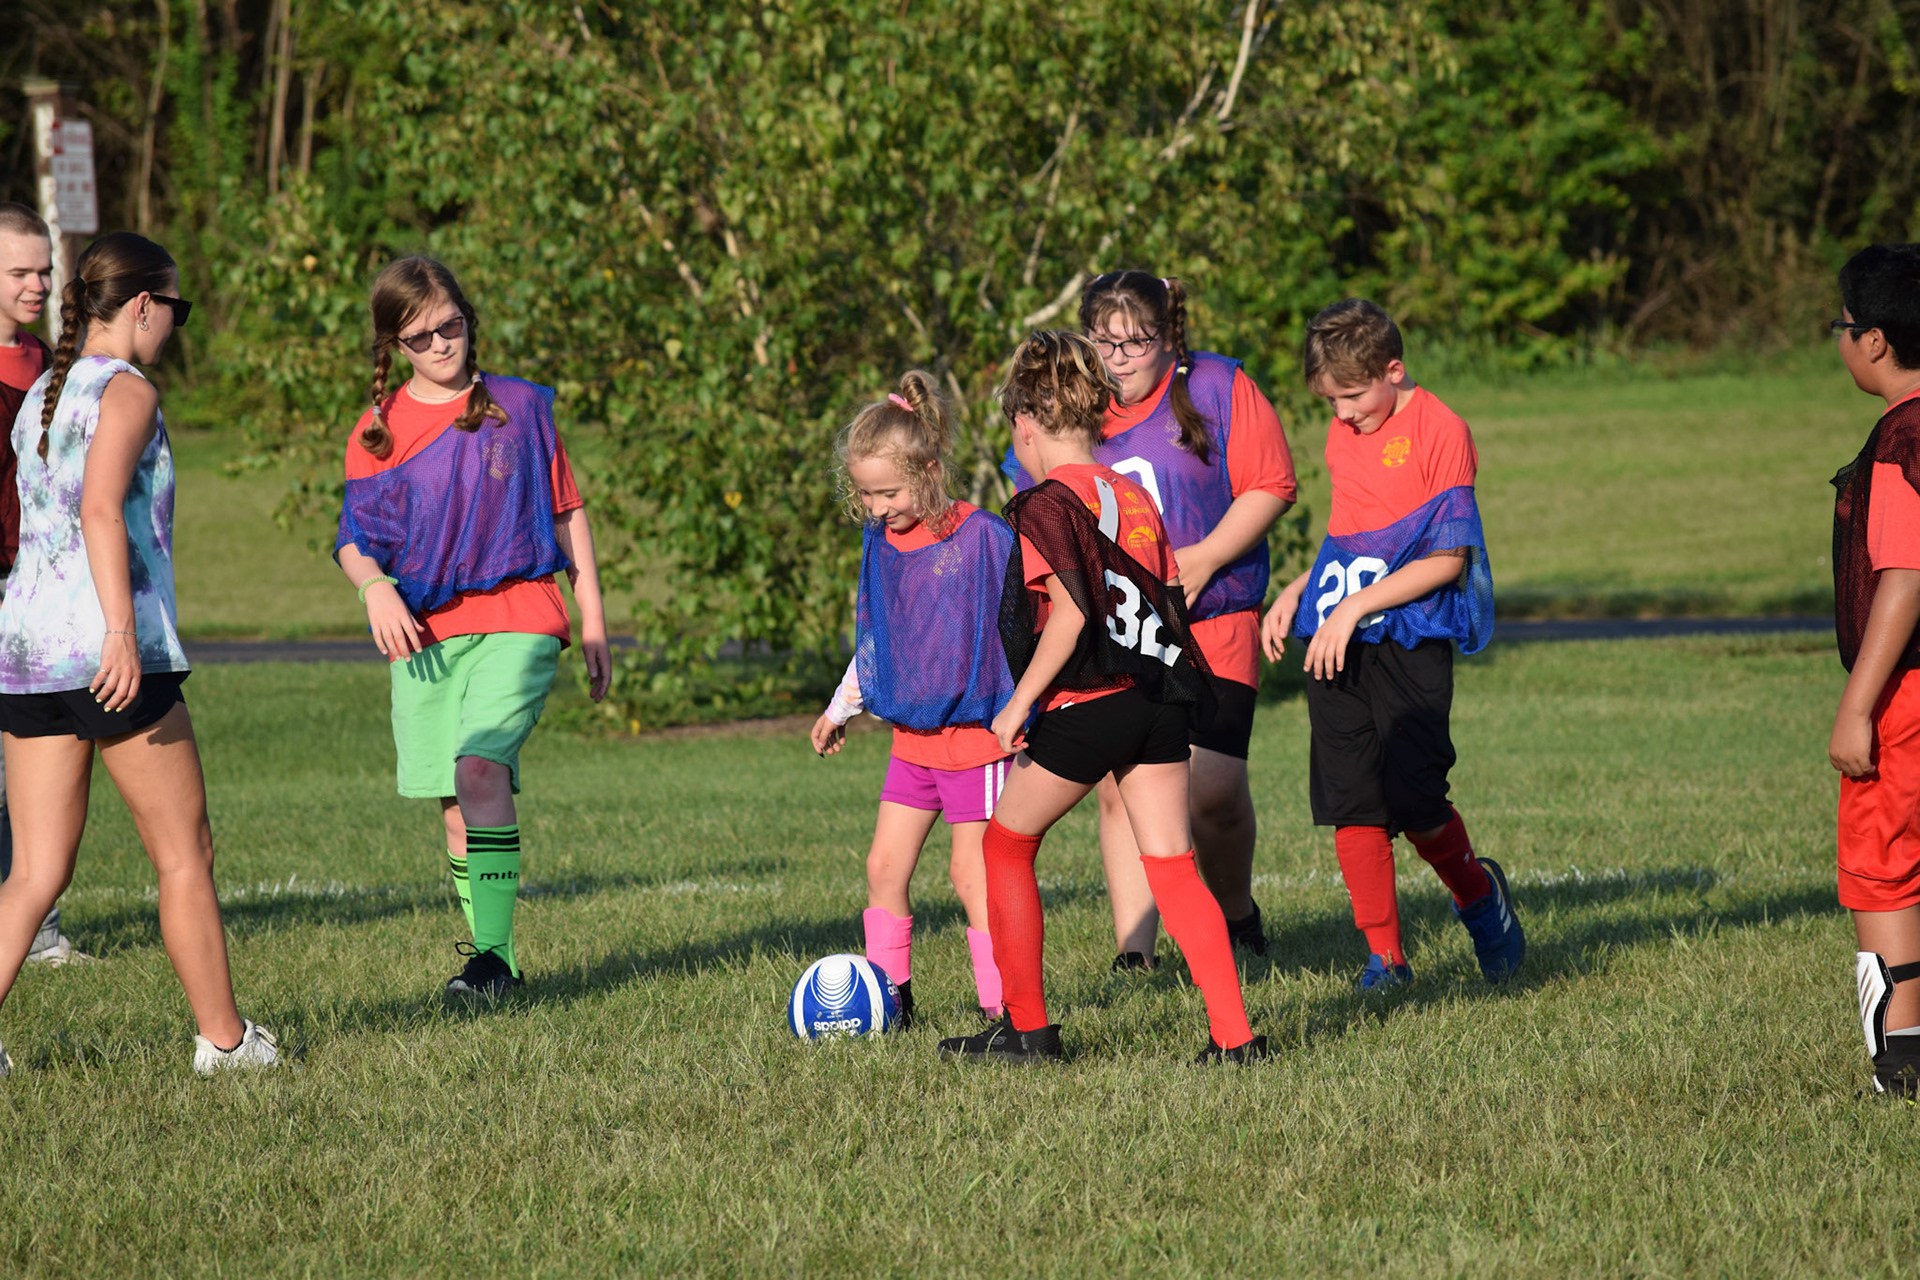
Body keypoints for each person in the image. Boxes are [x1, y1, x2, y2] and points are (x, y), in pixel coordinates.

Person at [937, 331, 1267, 1065]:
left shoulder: (1044, 504)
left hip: (1090, 700)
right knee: (1172, 865)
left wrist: (1020, 703)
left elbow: (1074, 614)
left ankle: (1028, 1033)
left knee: (1005, 845)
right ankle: (1235, 1038)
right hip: (1159, 696)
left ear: (1026, 424)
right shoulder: (1133, 493)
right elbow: (1167, 592)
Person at [0, 231, 277, 1074]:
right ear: (144, 304)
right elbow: (99, 509)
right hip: (113, 655)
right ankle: (225, 1042)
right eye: (175, 309)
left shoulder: (41, 392)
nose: (174, 327)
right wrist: (121, 632)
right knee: (184, 854)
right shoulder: (127, 390)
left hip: (26, 658)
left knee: (34, 872)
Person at [336, 255, 611, 999]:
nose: (440, 345)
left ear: (469, 320)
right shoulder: (378, 431)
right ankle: (500, 967)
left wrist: (592, 617)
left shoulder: (518, 406)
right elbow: (355, 539)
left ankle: (488, 957)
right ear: (393, 345)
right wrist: (374, 590)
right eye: (419, 337)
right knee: (456, 803)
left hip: (522, 613)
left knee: (479, 767)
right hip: (424, 637)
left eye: (450, 326)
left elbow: (567, 512)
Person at [1009, 271, 1295, 968]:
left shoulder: (1218, 385)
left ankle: (1237, 915)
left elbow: (1272, 483)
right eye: (1104, 343)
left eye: (1136, 342)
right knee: (1120, 788)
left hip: (1213, 615)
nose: (1119, 359)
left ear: (1169, 336)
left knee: (1214, 792)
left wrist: (1204, 558)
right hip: (1125, 632)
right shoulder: (1074, 406)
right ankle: (1135, 953)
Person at [1260, 299, 1521, 990]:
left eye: (1352, 396)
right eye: (1330, 401)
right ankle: (1385, 959)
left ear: (1393, 371)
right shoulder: (1342, 433)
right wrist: (1300, 591)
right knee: (1351, 801)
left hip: (1411, 632)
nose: (1343, 414)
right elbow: (1350, 538)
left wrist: (1353, 607)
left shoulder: (1442, 430)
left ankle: (1478, 898)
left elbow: (1448, 561)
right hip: (1337, 636)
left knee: (1417, 800)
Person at [809, 372, 1013, 1026]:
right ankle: (890, 1001)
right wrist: (840, 707)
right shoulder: (882, 543)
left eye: (888, 493)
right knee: (883, 867)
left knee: (973, 875)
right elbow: (881, 641)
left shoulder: (980, 539)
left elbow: (1023, 629)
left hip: (977, 745)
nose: (875, 507)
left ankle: (1004, 1009)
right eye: (865, 494)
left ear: (929, 471)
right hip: (912, 747)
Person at [1825, 243, 1920, 1098]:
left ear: (1877, 341)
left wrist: (1859, 707)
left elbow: (1906, 574)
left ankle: (1903, 1061)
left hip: (1908, 691)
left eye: (1843, 325)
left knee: (1883, 861)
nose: (1841, 340)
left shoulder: (1903, 436)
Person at [0, 202, 79, 966]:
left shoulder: (53, 367)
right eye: (19, 271)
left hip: (32, 590)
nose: (37, 284)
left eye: (44, 270)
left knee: (27, 764)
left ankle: (39, 935)